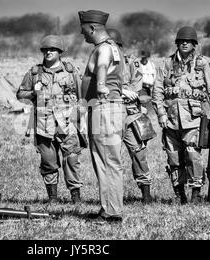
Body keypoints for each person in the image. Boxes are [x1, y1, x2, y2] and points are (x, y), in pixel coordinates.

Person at [152, 26, 210, 204]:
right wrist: (161, 114)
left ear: (194, 45)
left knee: (193, 155)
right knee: (173, 157)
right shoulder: (166, 64)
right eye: (181, 41)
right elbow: (157, 91)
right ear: (176, 43)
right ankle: (179, 193)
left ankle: (196, 193)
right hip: (171, 118)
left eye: (188, 41)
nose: (184, 43)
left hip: (193, 118)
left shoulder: (202, 63)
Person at [16, 35, 86, 204]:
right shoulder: (34, 73)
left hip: (67, 124)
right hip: (43, 125)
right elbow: (20, 94)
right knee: (48, 162)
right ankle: (52, 198)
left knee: (71, 159)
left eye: (52, 49)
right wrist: (33, 92)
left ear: (59, 52)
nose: (48, 52)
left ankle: (75, 197)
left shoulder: (71, 71)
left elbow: (82, 94)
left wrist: (81, 118)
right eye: (45, 49)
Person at [79, 10, 126, 222]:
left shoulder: (105, 48)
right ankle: (108, 207)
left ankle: (112, 212)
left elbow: (102, 65)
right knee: (106, 160)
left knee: (107, 160)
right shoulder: (112, 46)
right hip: (107, 108)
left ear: (92, 28)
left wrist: (100, 85)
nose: (83, 35)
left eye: (84, 30)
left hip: (104, 108)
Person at [107, 28, 156, 204]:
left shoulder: (131, 62)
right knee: (111, 156)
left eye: (115, 46)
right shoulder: (100, 64)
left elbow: (137, 87)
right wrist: (120, 91)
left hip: (130, 114)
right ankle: (112, 195)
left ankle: (146, 193)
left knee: (138, 152)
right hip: (110, 115)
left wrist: (124, 92)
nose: (113, 49)